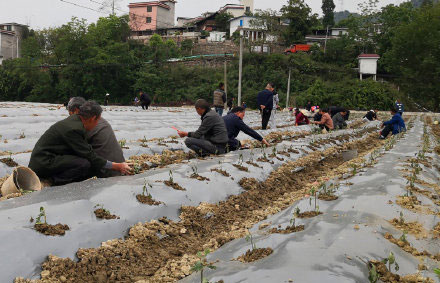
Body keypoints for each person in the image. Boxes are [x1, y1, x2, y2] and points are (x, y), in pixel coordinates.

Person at [29, 101, 131, 185]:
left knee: (84, 163)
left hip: (48, 158)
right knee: (83, 164)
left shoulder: (75, 121)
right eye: (97, 120)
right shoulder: (74, 129)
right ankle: (51, 181)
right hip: (43, 162)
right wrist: (117, 166)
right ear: (93, 118)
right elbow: (89, 155)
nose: (97, 124)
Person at [67, 97, 126, 177]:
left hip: (106, 170)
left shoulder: (86, 123)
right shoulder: (97, 119)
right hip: (118, 165)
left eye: (70, 113)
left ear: (77, 110)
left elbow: (76, 149)